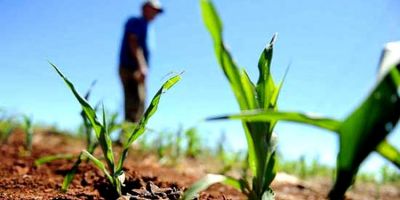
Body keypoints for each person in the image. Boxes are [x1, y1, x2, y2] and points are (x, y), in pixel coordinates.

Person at [119, 0, 163, 122]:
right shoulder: (136, 22)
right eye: (154, 10)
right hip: (131, 68)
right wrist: (142, 66)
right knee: (134, 99)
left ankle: (131, 135)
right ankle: (127, 136)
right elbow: (133, 43)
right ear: (145, 8)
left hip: (138, 69)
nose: (156, 14)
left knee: (141, 100)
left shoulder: (148, 28)